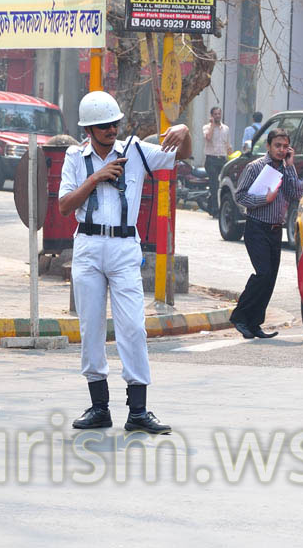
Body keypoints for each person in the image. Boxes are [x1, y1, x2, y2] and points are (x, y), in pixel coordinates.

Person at [59, 90, 192, 434]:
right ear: (88, 130)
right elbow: (64, 206)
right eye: (103, 126)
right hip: (88, 245)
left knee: (132, 326)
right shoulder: (75, 157)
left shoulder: (136, 151)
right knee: (90, 327)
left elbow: (180, 154)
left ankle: (138, 411)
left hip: (123, 246)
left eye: (114, 123)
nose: (111, 130)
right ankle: (99, 407)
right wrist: (96, 177)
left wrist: (183, 131)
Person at [230, 127, 303, 339]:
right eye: (277, 146)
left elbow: (296, 193)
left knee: (270, 279)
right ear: (268, 146)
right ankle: (240, 317)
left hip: (275, 230)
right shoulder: (255, 167)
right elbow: (240, 196)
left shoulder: (287, 169)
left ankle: (254, 324)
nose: (281, 150)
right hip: (256, 228)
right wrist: (265, 199)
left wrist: (290, 167)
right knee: (262, 273)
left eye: (285, 146)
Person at [201, 106, 230, 215]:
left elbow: (227, 144)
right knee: (214, 185)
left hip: (222, 159)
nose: (218, 116)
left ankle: (215, 207)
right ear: (212, 116)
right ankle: (215, 210)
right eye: (215, 114)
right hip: (211, 160)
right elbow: (208, 138)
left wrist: (230, 155)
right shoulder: (206, 127)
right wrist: (212, 125)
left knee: (222, 185)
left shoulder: (226, 129)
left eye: (219, 114)